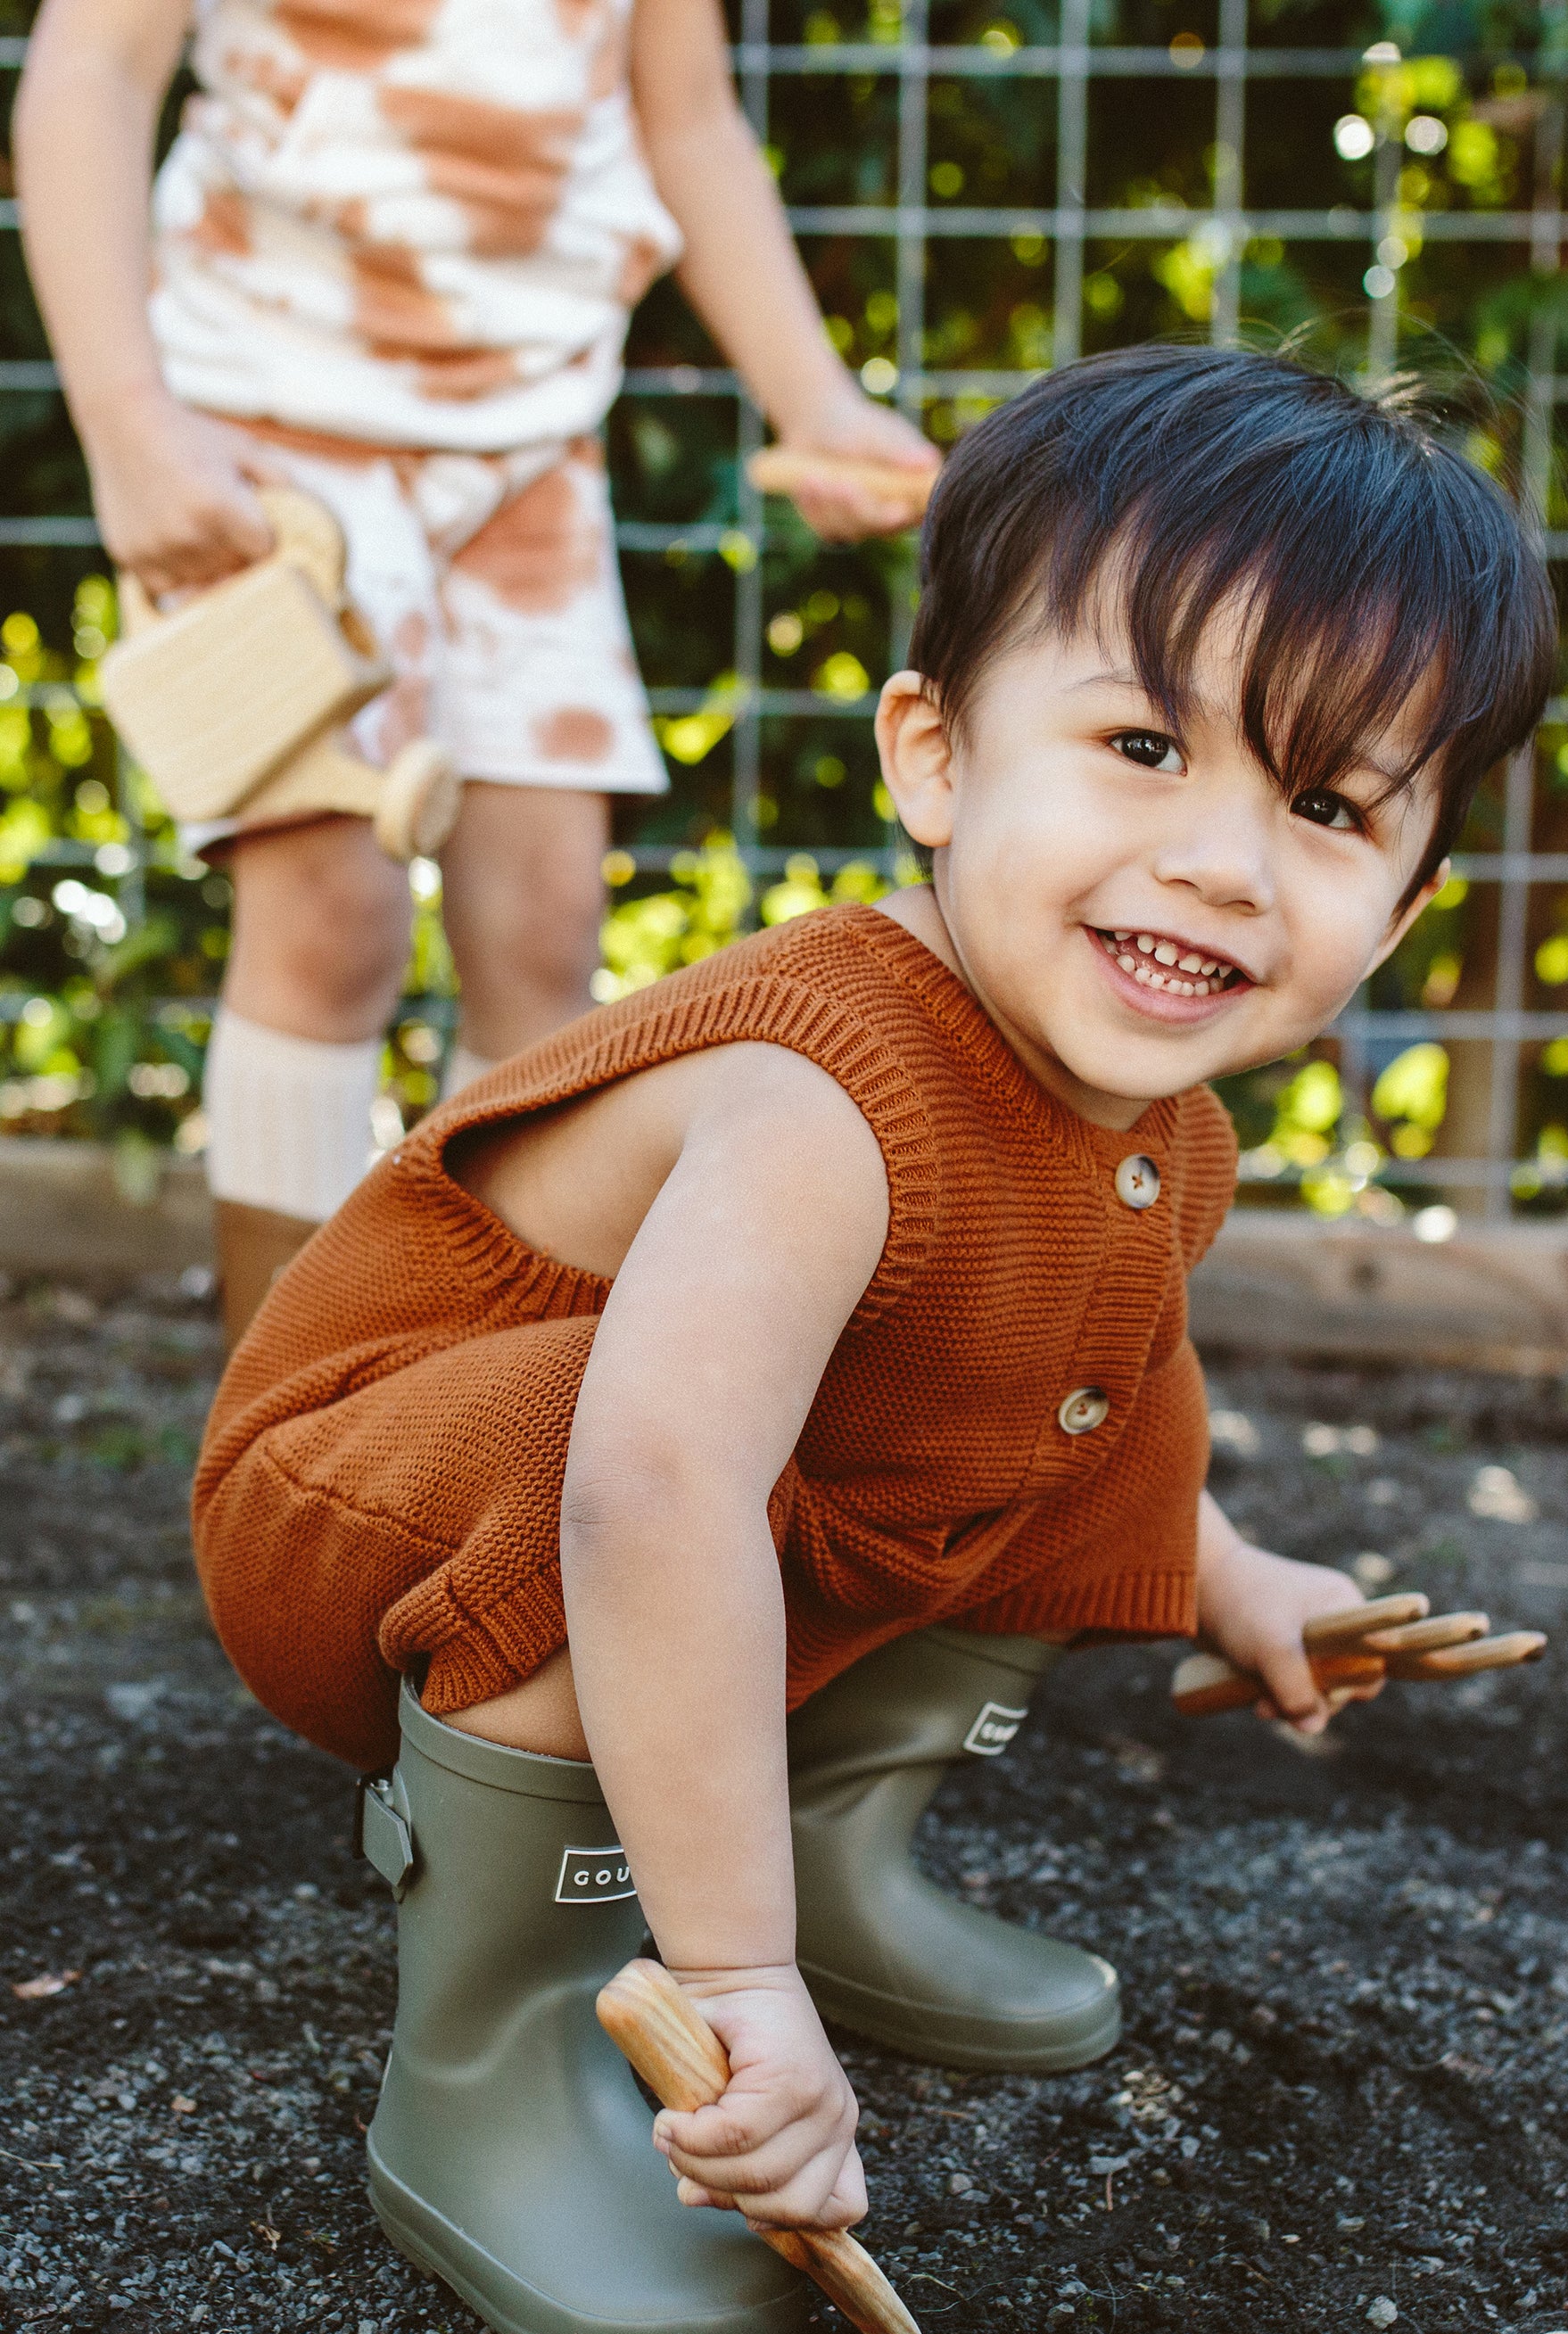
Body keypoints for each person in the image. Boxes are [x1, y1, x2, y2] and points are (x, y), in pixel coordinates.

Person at [190, 344, 1556, 2334]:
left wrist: (1232, 1577)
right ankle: (496, 2031)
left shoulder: (1160, 1137)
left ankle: (819, 1841)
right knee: (632, 1445)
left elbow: (1115, 1417)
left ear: (1405, 899)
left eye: (1328, 802)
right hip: (363, 1511)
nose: (1220, 860)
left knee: (1071, 1374)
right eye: (1140, 744)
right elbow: (647, 1494)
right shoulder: (822, 1090)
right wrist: (727, 1992)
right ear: (932, 754)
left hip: (615, 1511)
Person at [13, 0, 937, 1345]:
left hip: (526, 449)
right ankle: (283, 1433)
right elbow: (91, 68)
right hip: (264, 439)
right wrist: (128, 426)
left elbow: (687, 119)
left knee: (543, 932)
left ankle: (461, 1410)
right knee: (330, 917)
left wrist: (815, 398)